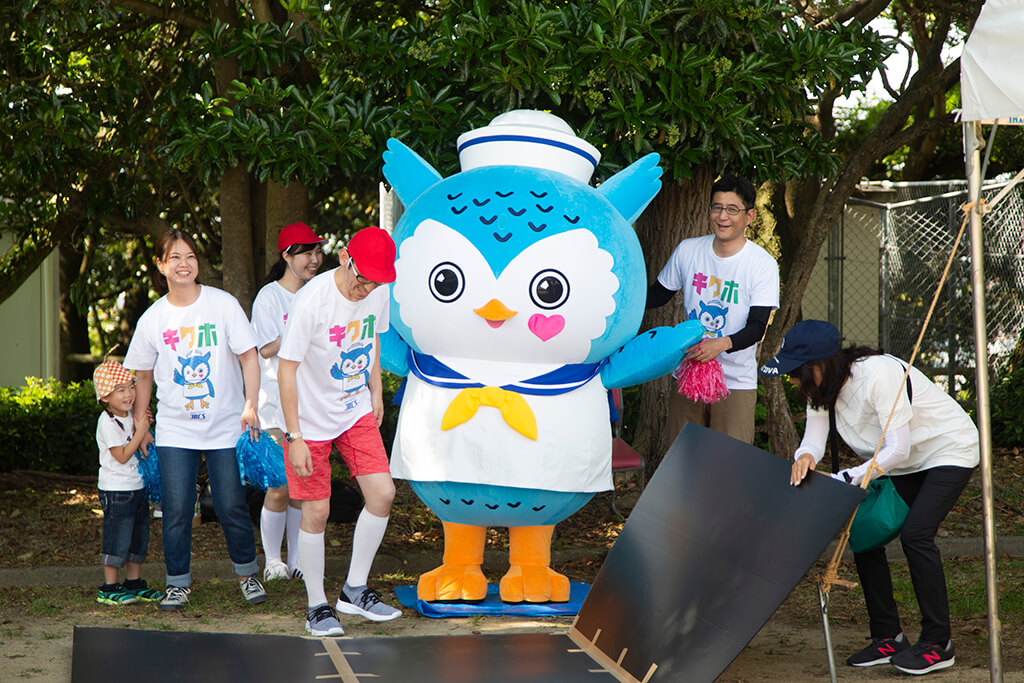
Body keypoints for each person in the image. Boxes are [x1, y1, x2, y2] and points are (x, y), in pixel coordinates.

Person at [761, 319, 979, 676]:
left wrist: (847, 476)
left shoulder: (877, 376)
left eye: (796, 373)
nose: (793, 381)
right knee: (863, 532)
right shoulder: (823, 389)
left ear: (819, 365)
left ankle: (939, 644)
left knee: (916, 535)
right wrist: (805, 457)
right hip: (905, 463)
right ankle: (888, 637)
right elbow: (814, 439)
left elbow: (897, 448)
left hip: (947, 450)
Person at [124, 229, 268, 611]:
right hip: (175, 430)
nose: (184, 264)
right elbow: (141, 374)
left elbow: (249, 357)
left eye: (190, 256)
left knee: (231, 504)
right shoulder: (153, 318)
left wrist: (250, 404)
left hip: (224, 427)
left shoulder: (222, 304)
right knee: (175, 510)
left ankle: (247, 575)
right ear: (160, 266)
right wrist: (142, 426)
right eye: (174, 257)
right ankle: (178, 583)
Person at [278, 226, 402, 637]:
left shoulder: (377, 290)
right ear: (345, 257)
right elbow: (286, 369)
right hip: (309, 421)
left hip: (355, 409)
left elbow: (374, 338)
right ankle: (317, 605)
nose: (365, 288)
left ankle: (354, 590)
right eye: (361, 277)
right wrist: (294, 437)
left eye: (375, 281)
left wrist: (376, 386)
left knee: (382, 493)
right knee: (317, 511)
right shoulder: (311, 301)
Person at [647, 174, 779, 444]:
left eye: (732, 209)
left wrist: (719, 345)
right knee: (681, 458)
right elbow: (657, 296)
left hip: (735, 382)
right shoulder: (688, 250)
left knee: (730, 467)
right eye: (717, 207)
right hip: (687, 372)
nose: (723, 217)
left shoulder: (761, 264)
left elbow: (756, 327)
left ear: (750, 216)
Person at [251, 222, 325, 582]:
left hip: (310, 404)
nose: (314, 260)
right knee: (279, 486)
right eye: (306, 253)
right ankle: (272, 559)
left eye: (317, 252)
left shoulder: (321, 292)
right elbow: (263, 348)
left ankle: (296, 558)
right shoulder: (269, 297)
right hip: (274, 406)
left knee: (303, 485)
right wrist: (297, 324)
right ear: (286, 256)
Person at [93, 359, 163, 606]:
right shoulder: (107, 422)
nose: (129, 394)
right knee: (117, 537)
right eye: (120, 389)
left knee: (139, 536)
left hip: (137, 487)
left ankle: (133, 582)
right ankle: (109, 587)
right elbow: (121, 456)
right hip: (116, 491)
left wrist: (143, 430)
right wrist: (141, 431)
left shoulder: (130, 415)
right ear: (105, 398)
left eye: (130, 387)